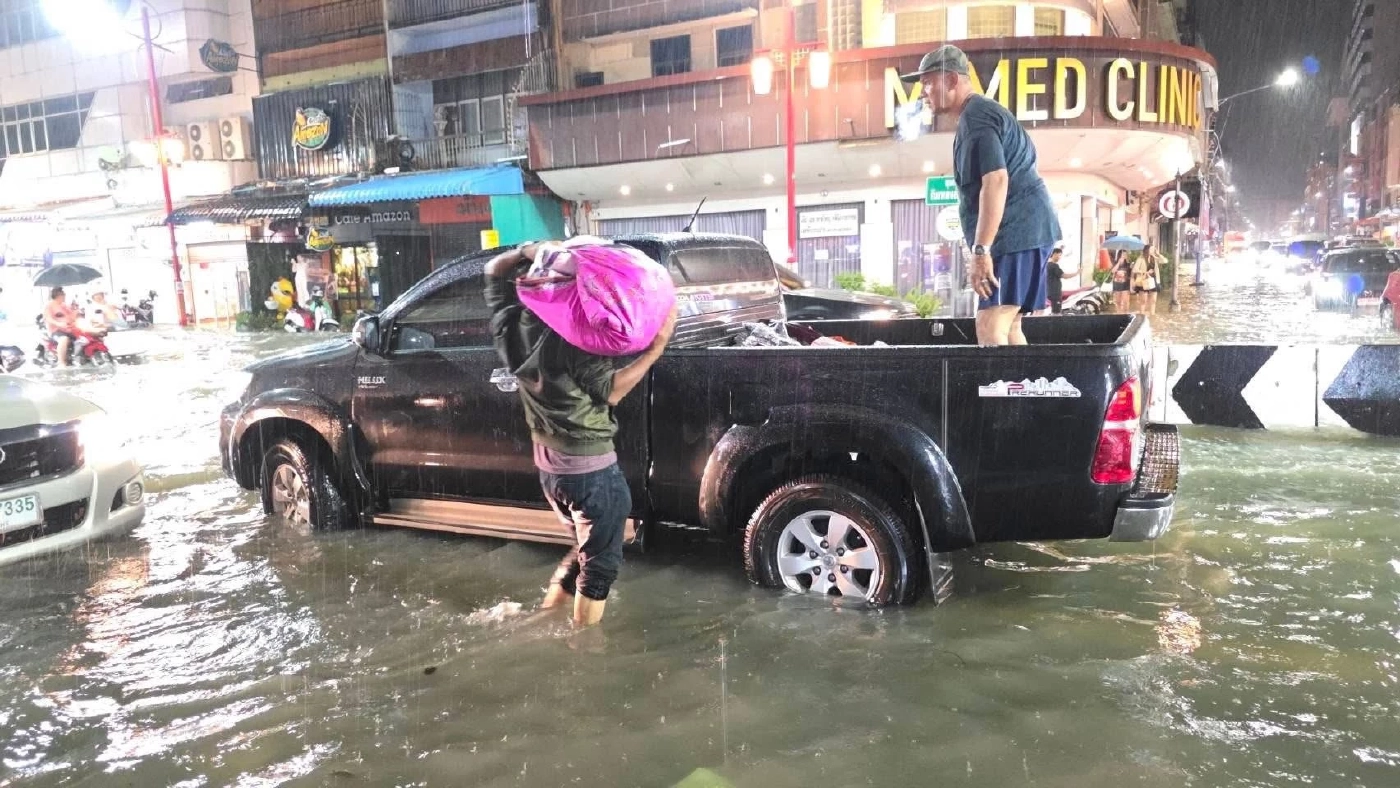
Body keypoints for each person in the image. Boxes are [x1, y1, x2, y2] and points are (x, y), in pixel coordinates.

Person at [485, 241, 677, 627]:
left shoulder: (510, 324)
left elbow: (492, 271)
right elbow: (613, 391)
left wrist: (525, 251)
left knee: (586, 547)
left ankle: (546, 616)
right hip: (590, 470)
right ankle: (583, 649)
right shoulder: (578, 340)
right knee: (602, 565)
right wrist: (656, 348)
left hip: (551, 470)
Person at [906, 44, 1061, 345]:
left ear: (951, 80)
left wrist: (981, 251)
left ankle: (1001, 393)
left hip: (1017, 233)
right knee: (1009, 326)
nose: (922, 91)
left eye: (927, 82)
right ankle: (1024, 391)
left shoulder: (976, 118)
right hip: (1028, 231)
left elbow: (996, 180)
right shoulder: (982, 114)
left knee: (990, 325)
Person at [43, 286, 78, 367]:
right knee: (63, 339)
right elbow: (48, 319)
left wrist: (75, 310)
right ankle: (61, 362)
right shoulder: (49, 305)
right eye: (63, 294)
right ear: (58, 295)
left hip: (69, 329)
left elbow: (72, 318)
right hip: (56, 331)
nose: (65, 296)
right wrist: (58, 324)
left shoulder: (64, 306)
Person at [1044, 244, 1079, 314]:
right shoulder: (1054, 266)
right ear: (1054, 254)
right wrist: (1077, 273)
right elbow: (1064, 276)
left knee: (1054, 310)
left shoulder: (1047, 264)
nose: (1060, 257)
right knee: (1056, 311)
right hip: (1055, 292)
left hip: (1049, 291)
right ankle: (1055, 323)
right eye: (1059, 255)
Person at [1134, 244, 1164, 314]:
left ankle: (1152, 316)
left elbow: (1164, 261)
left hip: (1154, 280)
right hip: (1144, 280)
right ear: (1147, 250)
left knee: (1153, 301)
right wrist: (1146, 272)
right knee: (1143, 301)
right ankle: (1142, 316)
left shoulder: (1155, 258)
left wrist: (1158, 254)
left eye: (1154, 249)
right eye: (1152, 249)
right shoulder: (1141, 258)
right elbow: (1135, 269)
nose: (1153, 250)